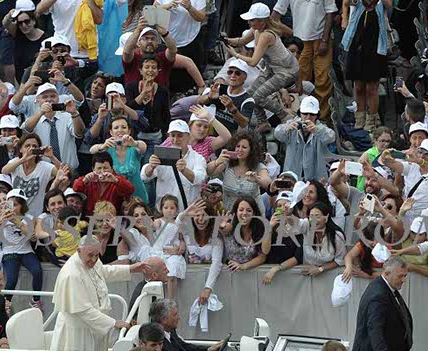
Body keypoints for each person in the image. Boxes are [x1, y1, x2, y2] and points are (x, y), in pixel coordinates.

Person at [45, 235, 149, 351]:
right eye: (90, 256)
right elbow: (84, 311)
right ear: (79, 251)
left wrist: (131, 269)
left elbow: (103, 271)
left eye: (97, 255)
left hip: (93, 329)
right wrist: (114, 323)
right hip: (77, 333)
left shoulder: (91, 259)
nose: (94, 260)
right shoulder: (72, 274)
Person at [225, 3, 299, 132]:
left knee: (258, 97)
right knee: (250, 94)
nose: (249, 22)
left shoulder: (266, 36)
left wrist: (235, 54)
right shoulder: (256, 30)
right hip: (272, 68)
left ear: (262, 22)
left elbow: (253, 61)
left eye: (252, 20)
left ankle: (284, 115)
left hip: (285, 71)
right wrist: (226, 40)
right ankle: (263, 121)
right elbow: (242, 41)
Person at [351, 256, 412, 351]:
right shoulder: (378, 294)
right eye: (400, 276)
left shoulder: (387, 288)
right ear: (387, 273)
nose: (404, 280)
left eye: (405, 276)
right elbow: (374, 327)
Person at [148, 298, 225, 351]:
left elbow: (184, 347)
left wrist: (209, 349)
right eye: (175, 315)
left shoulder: (170, 331)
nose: (178, 317)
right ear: (164, 319)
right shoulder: (156, 344)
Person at [340, 0, 392, 131]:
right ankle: (359, 120)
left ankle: (371, 122)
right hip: (357, 46)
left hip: (376, 48)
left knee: (371, 88)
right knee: (358, 87)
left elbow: (389, 6)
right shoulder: (359, 4)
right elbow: (348, 2)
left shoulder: (379, 5)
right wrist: (344, 18)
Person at [140, 120, 207, 208]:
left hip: (188, 211)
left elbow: (199, 179)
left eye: (180, 136)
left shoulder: (198, 158)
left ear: (188, 137)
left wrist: (184, 170)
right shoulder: (162, 154)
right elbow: (145, 176)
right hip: (164, 212)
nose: (175, 140)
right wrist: (151, 166)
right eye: (173, 135)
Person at [275, 96, 336, 182]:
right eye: (305, 113)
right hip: (293, 176)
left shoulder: (320, 128)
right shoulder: (292, 124)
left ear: (317, 115)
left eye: (312, 114)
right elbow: (277, 134)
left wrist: (317, 130)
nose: (308, 117)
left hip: (315, 177)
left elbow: (331, 137)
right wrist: (286, 129)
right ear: (300, 113)